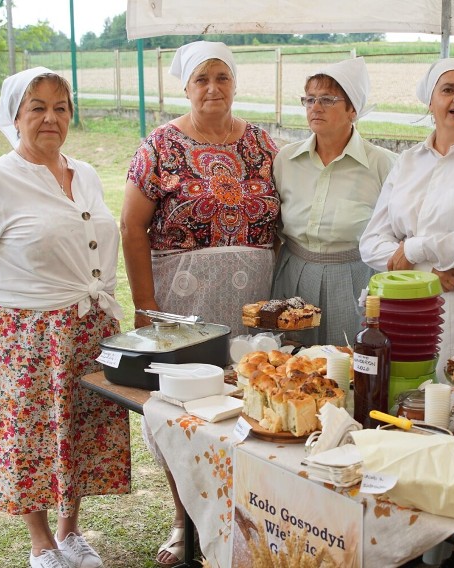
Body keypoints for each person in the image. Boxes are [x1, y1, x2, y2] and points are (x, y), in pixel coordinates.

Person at [0, 67, 130, 568]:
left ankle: (70, 533)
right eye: (37, 107)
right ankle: (41, 542)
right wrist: (9, 299)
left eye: (60, 107)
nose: (50, 117)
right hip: (24, 334)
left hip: (88, 327)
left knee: (78, 429)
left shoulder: (82, 173)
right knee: (30, 435)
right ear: (14, 116)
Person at [120, 41, 279, 566]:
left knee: (251, 400)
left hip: (252, 298)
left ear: (235, 84)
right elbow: (131, 227)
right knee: (182, 408)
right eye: (201, 79)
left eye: (222, 78)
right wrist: (146, 305)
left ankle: (245, 515)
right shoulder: (159, 146)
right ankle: (182, 519)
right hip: (182, 299)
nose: (213, 88)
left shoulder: (261, 144)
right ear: (185, 88)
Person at [359, 57, 454, 371]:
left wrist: (416, 248)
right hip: (406, 307)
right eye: (448, 89)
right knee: (405, 395)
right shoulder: (409, 160)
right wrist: (423, 276)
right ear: (431, 101)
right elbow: (372, 242)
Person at [272, 57, 397, 346]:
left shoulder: (383, 164)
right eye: (310, 99)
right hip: (295, 275)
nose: (315, 107)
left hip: (355, 277)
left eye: (327, 99)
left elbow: (400, 230)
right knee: (292, 363)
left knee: (348, 361)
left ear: (352, 109)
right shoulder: (286, 160)